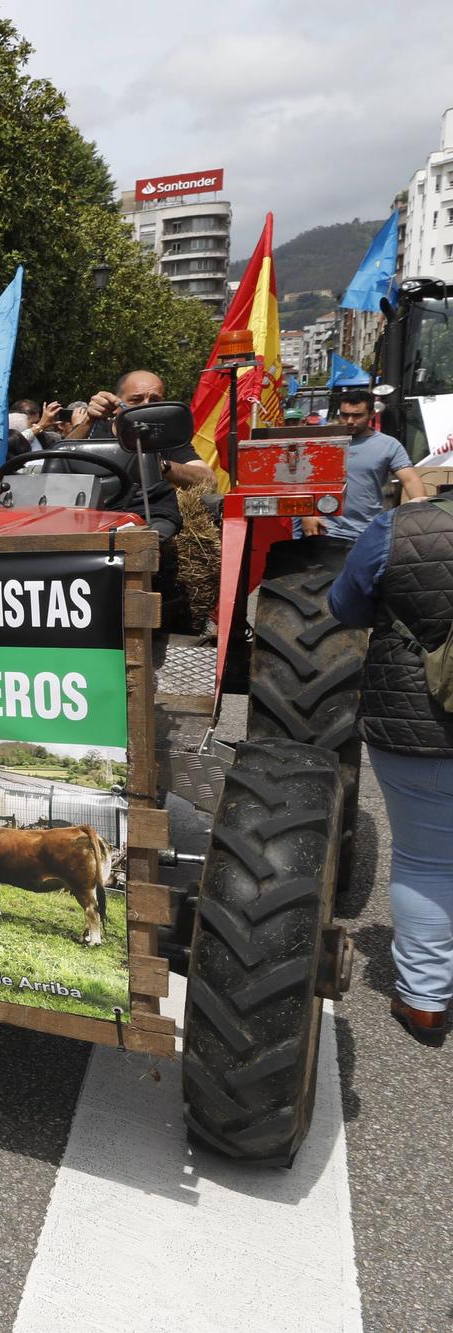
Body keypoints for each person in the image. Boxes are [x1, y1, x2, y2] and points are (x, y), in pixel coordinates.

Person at [331, 487, 453, 1044]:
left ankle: (426, 1002)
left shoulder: (400, 526)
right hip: (418, 724)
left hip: (419, 723)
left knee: (427, 863)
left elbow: (345, 606)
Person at [58, 370, 213, 534]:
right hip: (87, 521)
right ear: (116, 405)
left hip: (146, 521)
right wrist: (89, 421)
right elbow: (61, 458)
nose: (146, 405)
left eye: (154, 400)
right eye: (136, 400)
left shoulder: (166, 438)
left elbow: (208, 480)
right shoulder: (95, 430)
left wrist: (161, 466)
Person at [304, 388, 425, 540]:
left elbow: (410, 480)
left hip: (369, 532)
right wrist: (307, 514)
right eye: (345, 415)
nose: (349, 421)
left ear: (372, 414)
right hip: (326, 530)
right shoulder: (323, 443)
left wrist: (422, 517)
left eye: (357, 416)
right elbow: (303, 481)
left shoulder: (388, 445)